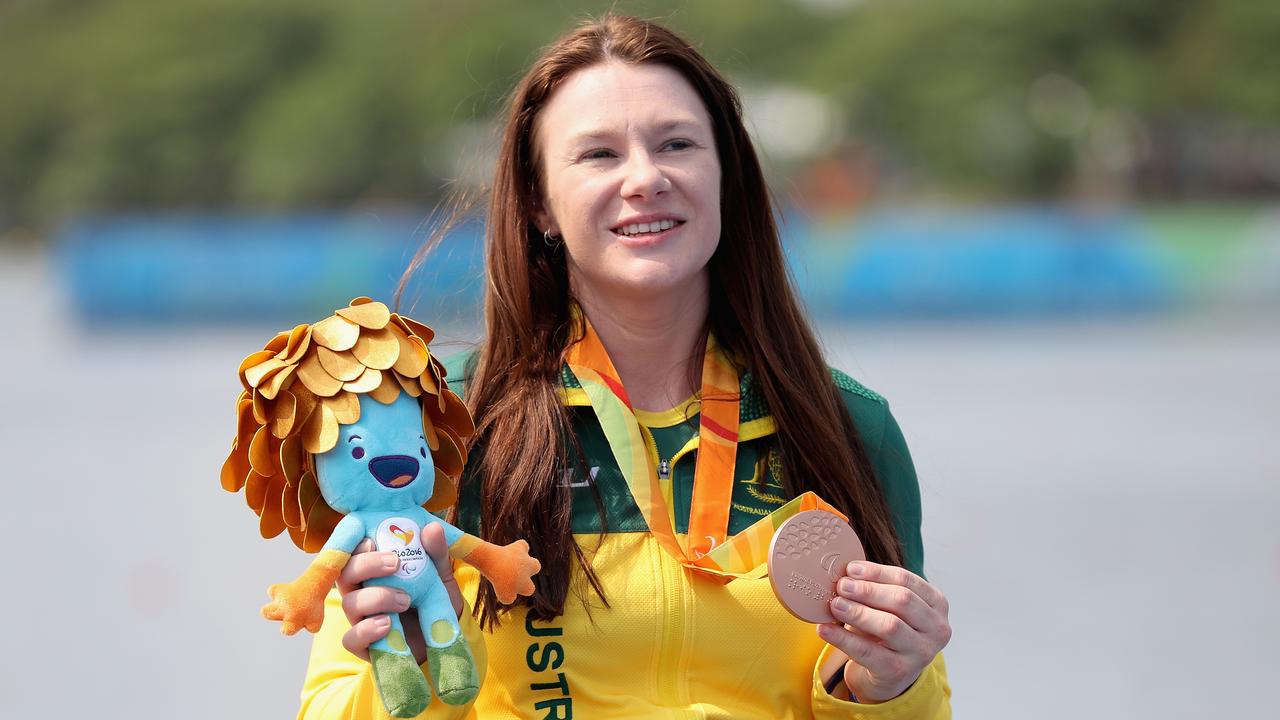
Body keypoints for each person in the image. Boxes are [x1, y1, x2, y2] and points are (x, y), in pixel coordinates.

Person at [300, 14, 951, 719]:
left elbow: (916, 700)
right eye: (599, 155)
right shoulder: (438, 423)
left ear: (726, 177)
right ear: (540, 204)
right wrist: (421, 665)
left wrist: (882, 690)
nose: (646, 177)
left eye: (677, 144)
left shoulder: (848, 426)